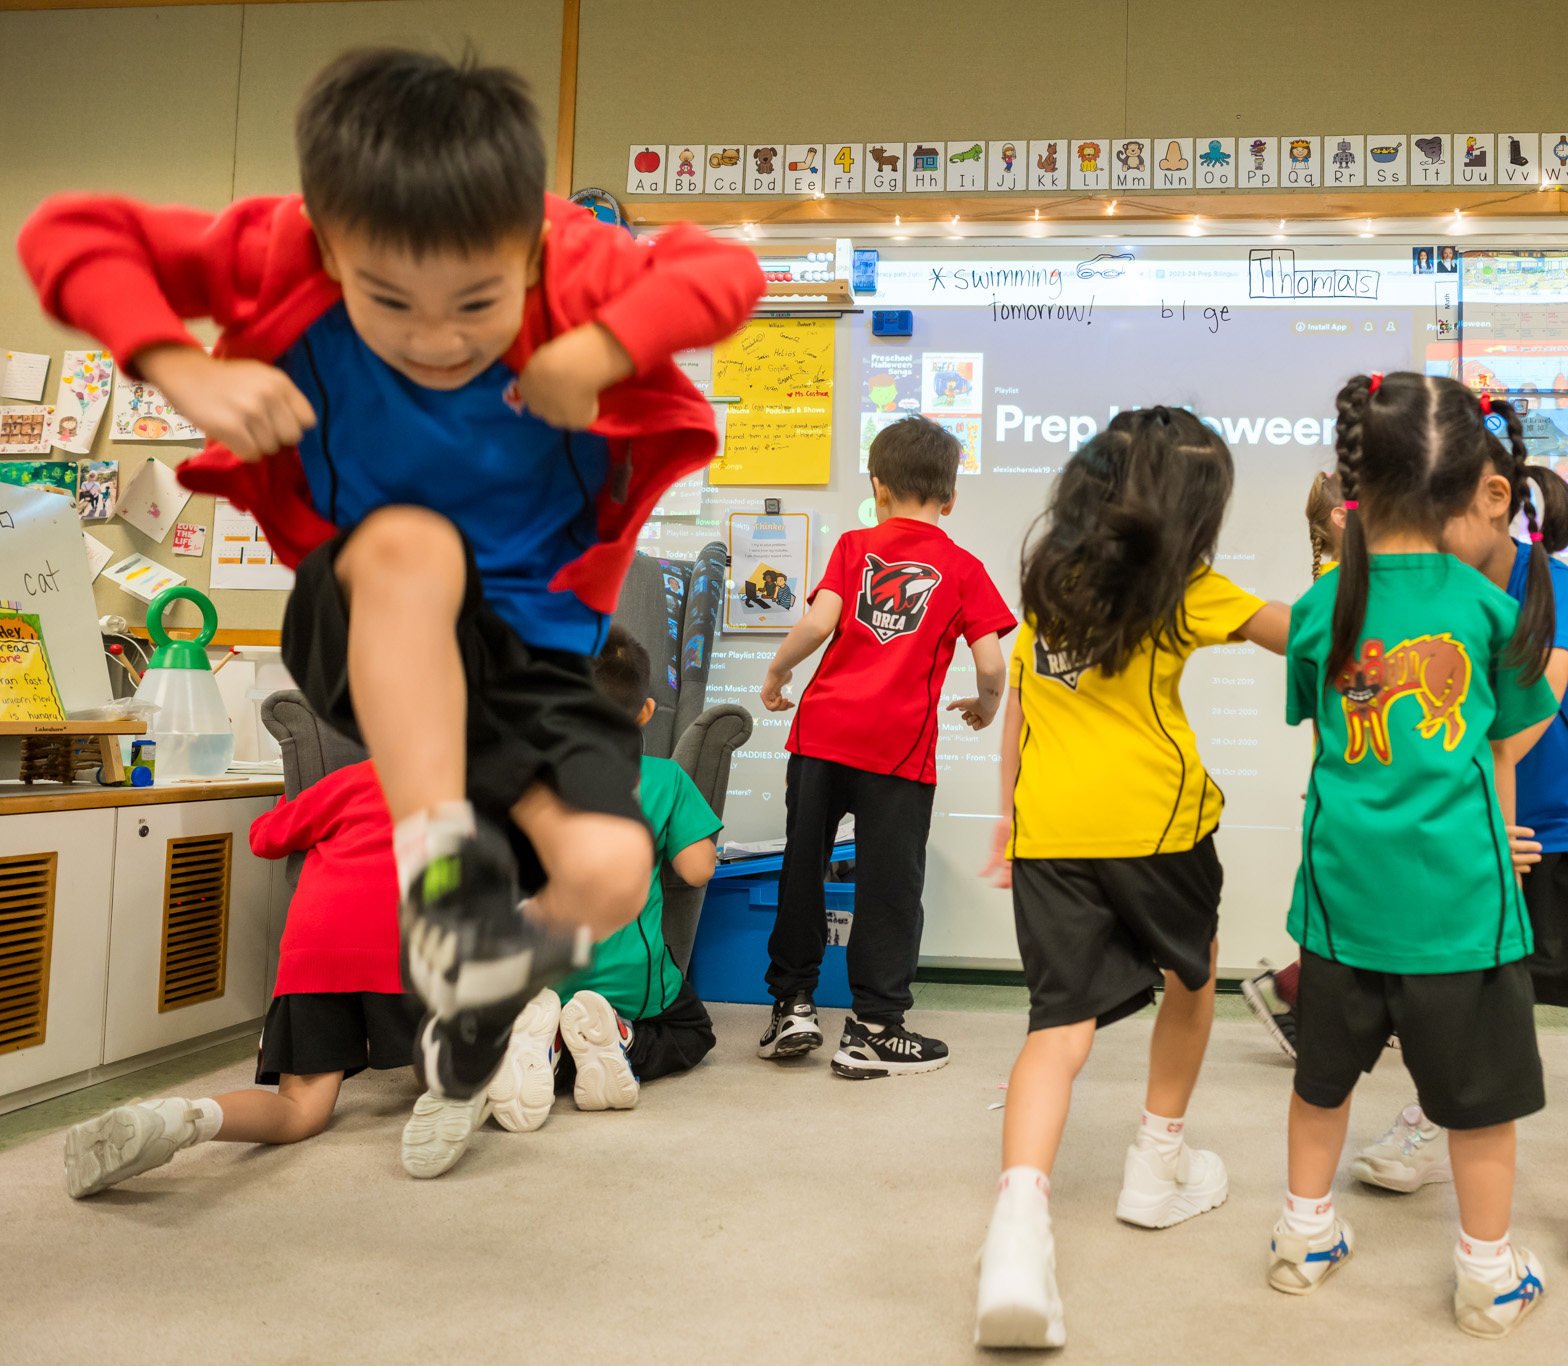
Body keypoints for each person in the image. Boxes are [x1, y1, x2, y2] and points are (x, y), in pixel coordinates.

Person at [18, 50, 765, 1112]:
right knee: (416, 540)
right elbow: (71, 234)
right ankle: (446, 883)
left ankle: (479, 984)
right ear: (328, 244)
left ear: (527, 244)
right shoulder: (281, 247)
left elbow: (720, 274)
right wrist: (183, 366)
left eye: (475, 302)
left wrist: (604, 344)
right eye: (388, 302)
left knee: (608, 869)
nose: (436, 342)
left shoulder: (570, 257)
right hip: (371, 608)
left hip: (531, 656)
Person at [971, 408, 1289, 1349]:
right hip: (1156, 826)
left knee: (1055, 1026)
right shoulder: (1180, 585)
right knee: (1195, 978)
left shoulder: (1050, 585)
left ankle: (1017, 1234)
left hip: (1049, 830)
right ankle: (1156, 1169)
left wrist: (1009, 819)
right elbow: (1298, 634)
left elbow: (1022, 710)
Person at [1268, 374, 1557, 1338]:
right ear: (1468, 483)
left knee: (1321, 1082)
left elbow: (1321, 729)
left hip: (1343, 901)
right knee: (1480, 1109)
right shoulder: (1484, 609)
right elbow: (1511, 738)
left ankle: (1303, 1236)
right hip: (1464, 910)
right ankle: (1486, 1274)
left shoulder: (1319, 607)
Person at [1350, 455, 1568, 1275]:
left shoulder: (1550, 584)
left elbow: (1532, 713)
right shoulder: (1432, 588)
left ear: (1494, 509)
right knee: (1474, 985)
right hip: (1485, 828)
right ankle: (1433, 1109)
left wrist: (1486, 807)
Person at [757, 416, 1014, 1077]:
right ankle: (873, 1027)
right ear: (950, 497)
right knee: (889, 886)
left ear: (876, 486)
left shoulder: (853, 545)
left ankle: (793, 1005)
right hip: (898, 754)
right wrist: (986, 708)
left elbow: (818, 622)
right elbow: (990, 665)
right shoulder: (961, 568)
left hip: (821, 735)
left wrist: (778, 672)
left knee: (801, 868)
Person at [62, 761, 426, 1195]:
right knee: (448, 1074)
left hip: (316, 952)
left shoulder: (350, 779)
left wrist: (288, 804)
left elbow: (265, 839)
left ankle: (178, 1118)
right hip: (407, 951)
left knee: (300, 1108)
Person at [485, 627, 723, 1133]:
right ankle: (620, 1039)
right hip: (632, 983)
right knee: (692, 1031)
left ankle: (541, 1045)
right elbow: (697, 870)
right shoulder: (665, 780)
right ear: (645, 712)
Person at [1240, 471, 1346, 1057]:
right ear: (1342, 520)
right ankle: (1293, 994)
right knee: (1335, 902)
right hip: (1342, 777)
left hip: (1341, 775)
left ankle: (1293, 990)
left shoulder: (1341, 588)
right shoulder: (1330, 598)